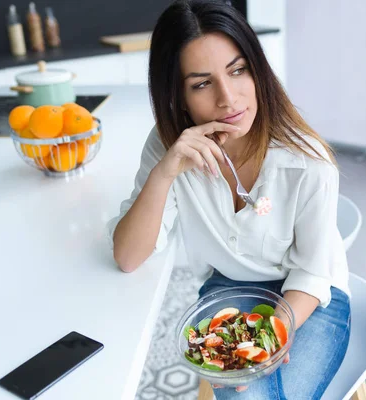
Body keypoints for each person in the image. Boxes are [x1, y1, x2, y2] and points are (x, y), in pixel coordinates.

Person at [107, 1, 351, 398]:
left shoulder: (308, 161)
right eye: (202, 83)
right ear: (179, 96)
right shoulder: (170, 148)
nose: (228, 98)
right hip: (230, 287)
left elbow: (314, 273)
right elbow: (128, 257)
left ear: (258, 70)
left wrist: (272, 331)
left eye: (238, 70)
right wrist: (166, 172)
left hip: (313, 294)